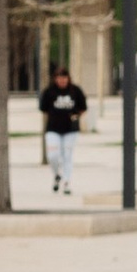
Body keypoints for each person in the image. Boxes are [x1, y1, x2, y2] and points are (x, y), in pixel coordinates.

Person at [37, 62, 87, 196]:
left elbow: (83, 107)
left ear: (68, 78)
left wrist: (76, 116)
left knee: (67, 155)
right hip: (53, 129)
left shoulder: (75, 91)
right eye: (59, 78)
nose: (62, 81)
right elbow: (43, 108)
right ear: (55, 79)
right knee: (53, 155)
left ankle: (66, 182)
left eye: (64, 78)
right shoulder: (49, 92)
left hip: (70, 130)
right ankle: (57, 175)